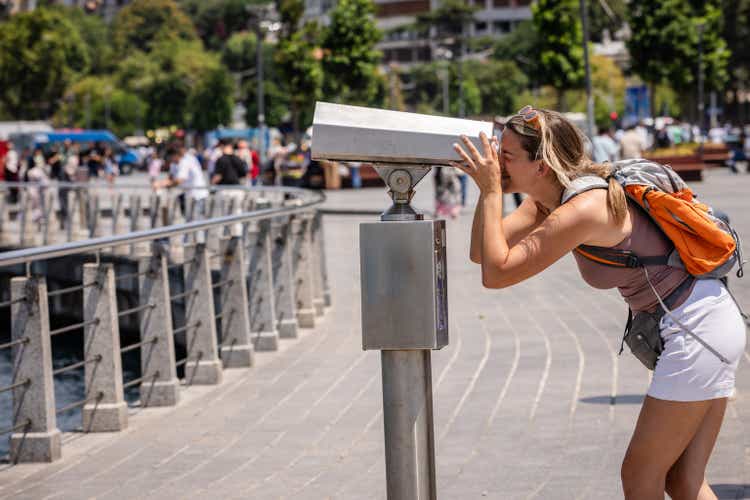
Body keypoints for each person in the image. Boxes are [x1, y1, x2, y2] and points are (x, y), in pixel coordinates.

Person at [451, 106, 745, 500]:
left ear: (541, 165)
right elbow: (482, 253)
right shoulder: (544, 201)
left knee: (640, 478)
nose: (496, 164)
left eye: (506, 157)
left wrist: (489, 191)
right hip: (703, 322)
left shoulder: (585, 208)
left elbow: (497, 274)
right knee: (683, 482)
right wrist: (488, 191)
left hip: (698, 329)